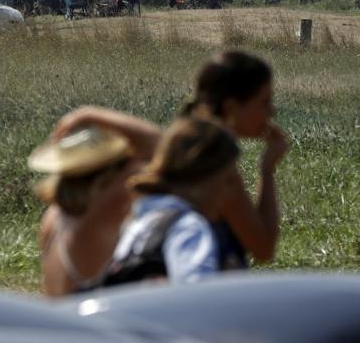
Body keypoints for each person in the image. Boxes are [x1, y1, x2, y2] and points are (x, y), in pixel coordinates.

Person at [30, 109, 160, 296]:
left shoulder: (53, 216)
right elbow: (157, 145)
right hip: (92, 322)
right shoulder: (102, 208)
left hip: (62, 321)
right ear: (108, 167)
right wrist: (89, 114)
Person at [100, 118, 241, 286]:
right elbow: (198, 299)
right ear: (202, 178)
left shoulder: (137, 220)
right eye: (227, 181)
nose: (231, 194)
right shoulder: (188, 228)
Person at [183, 52, 288, 267]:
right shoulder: (218, 170)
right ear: (232, 108)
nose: (272, 111)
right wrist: (266, 170)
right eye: (264, 102)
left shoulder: (187, 149)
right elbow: (263, 247)